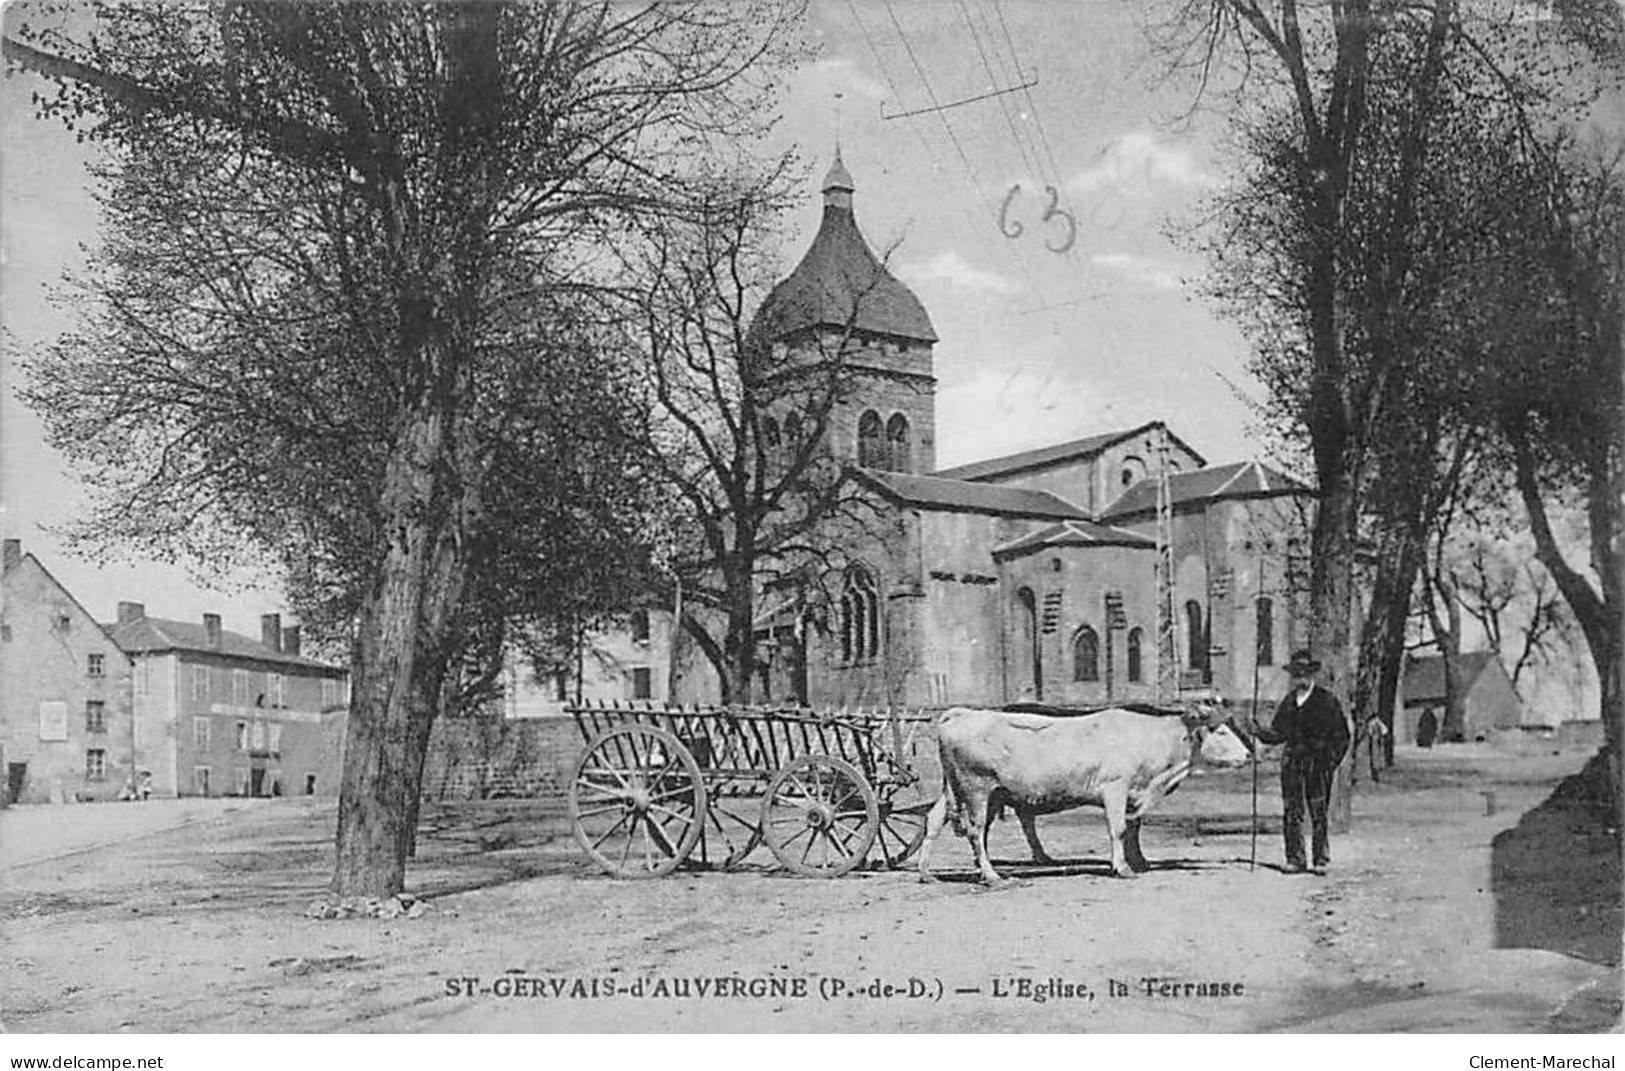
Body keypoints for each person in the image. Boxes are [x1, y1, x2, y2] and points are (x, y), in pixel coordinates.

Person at [1248, 649, 1350, 875]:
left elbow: (1342, 736)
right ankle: (1295, 859)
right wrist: (1259, 732)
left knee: (1318, 812)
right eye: (1297, 673)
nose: (1301, 677)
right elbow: (1278, 733)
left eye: (1305, 673)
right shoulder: (1289, 701)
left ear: (1312, 675)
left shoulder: (1327, 700)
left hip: (1319, 765)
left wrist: (1331, 761)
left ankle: (1320, 860)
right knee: (1292, 811)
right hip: (1293, 763)